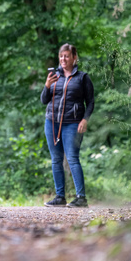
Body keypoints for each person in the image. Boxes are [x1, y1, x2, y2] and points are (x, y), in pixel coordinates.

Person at [41, 43, 94, 208]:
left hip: (73, 123)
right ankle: (59, 197)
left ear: (74, 57)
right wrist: (47, 85)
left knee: (72, 158)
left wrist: (85, 119)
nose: (63, 59)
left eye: (67, 56)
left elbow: (91, 102)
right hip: (52, 123)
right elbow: (44, 100)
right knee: (56, 160)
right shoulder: (54, 76)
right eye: (61, 56)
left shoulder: (82, 78)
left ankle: (81, 197)